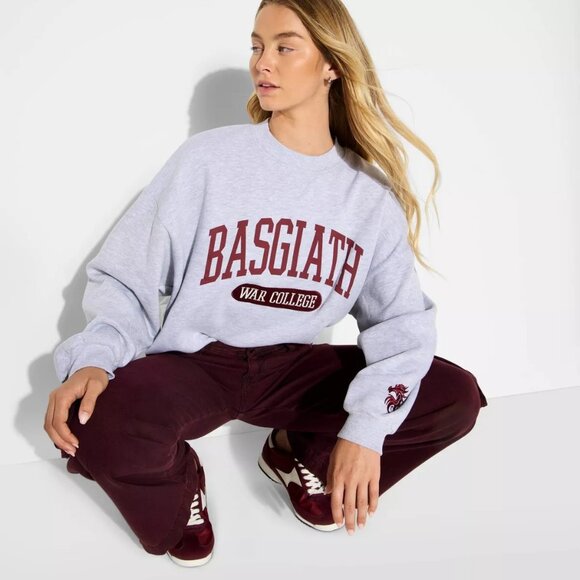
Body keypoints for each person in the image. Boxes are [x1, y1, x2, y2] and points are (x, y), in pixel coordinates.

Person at [44, 0, 488, 569]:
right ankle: (181, 482)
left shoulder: (368, 195)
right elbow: (126, 277)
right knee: (89, 418)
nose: (263, 62)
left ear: (332, 63)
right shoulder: (208, 160)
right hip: (197, 364)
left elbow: (401, 326)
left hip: (293, 369)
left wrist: (366, 431)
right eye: (256, 46)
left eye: (284, 47)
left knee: (454, 397)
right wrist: (95, 359)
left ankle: (302, 452)